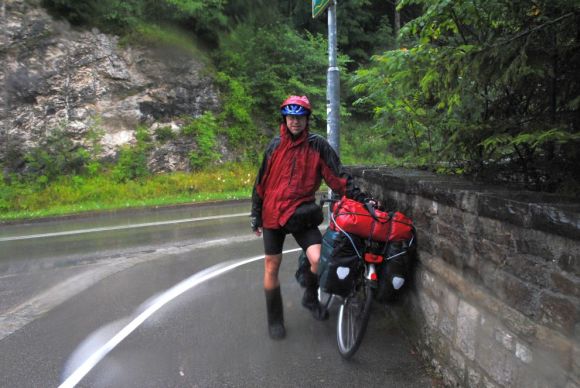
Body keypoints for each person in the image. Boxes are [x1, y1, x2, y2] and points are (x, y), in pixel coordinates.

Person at [250, 95, 367, 340]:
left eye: (300, 117)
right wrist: (256, 213)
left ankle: (309, 296)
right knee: (272, 266)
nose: (295, 122)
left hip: (301, 212)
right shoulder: (274, 146)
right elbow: (261, 183)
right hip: (272, 214)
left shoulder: (317, 146)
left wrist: (361, 199)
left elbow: (338, 178)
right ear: (285, 119)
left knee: (317, 260)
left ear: (306, 120)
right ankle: (275, 319)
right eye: (291, 117)